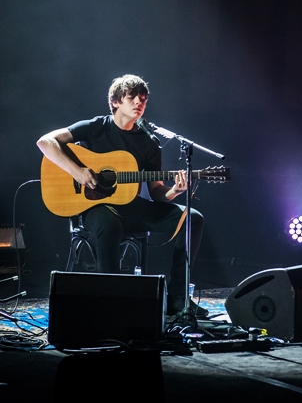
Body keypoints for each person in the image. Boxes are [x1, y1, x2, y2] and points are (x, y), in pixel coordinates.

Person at [37, 74, 205, 317]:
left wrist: (175, 191)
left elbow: (157, 191)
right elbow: (45, 142)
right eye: (132, 97)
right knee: (108, 221)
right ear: (115, 101)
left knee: (192, 218)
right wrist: (78, 171)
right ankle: (111, 298)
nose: (139, 102)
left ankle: (178, 297)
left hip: (131, 206)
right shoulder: (97, 126)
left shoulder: (150, 143)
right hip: (94, 206)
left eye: (143, 98)